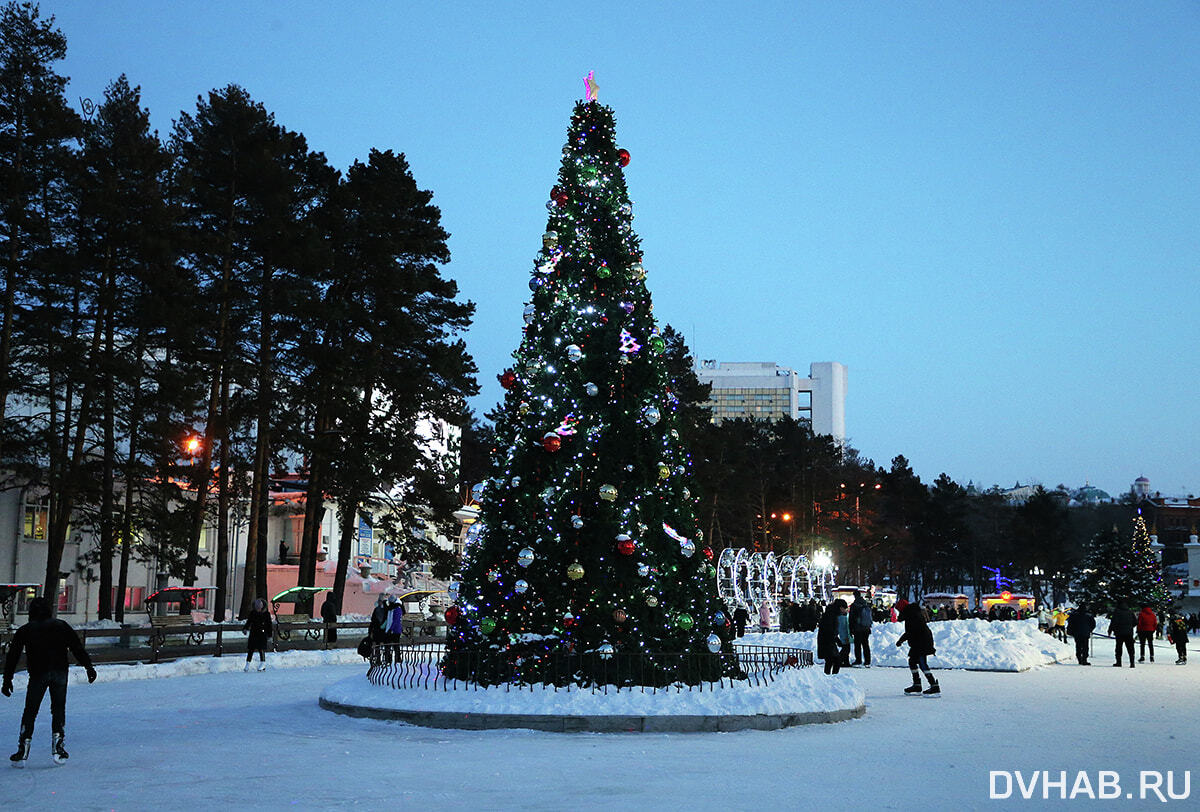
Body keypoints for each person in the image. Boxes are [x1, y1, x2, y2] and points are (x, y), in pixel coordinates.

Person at [3, 596, 97, 766]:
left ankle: (23, 748)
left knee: (30, 710)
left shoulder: (26, 630)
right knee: (58, 708)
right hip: (59, 671)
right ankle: (58, 747)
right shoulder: (60, 626)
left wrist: (7, 679)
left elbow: (13, 655)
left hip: (39, 673)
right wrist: (88, 666)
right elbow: (77, 647)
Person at [896, 602, 940, 696]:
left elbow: (911, 631)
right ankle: (917, 685)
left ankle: (934, 685)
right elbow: (911, 631)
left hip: (922, 642)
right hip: (919, 641)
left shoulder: (912, 615)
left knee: (922, 663)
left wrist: (901, 640)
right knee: (912, 661)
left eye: (899, 610)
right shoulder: (912, 613)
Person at [817, 599, 848, 675]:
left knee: (831, 660)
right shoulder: (831, 614)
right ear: (840, 607)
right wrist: (836, 640)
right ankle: (832, 679)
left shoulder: (831, 613)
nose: (845, 611)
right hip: (827, 640)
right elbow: (829, 629)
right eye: (844, 608)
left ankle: (829, 678)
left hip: (828, 640)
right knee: (835, 660)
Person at [243, 598, 273, 671]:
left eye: (259, 608)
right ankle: (247, 664)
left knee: (261, 649)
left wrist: (269, 635)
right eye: (257, 608)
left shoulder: (266, 614)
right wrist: (245, 628)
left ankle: (262, 663)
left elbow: (269, 625)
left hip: (262, 634)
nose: (258, 609)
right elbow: (249, 622)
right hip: (254, 633)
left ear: (262, 607)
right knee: (251, 649)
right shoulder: (253, 613)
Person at [849, 590, 873, 667]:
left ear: (854, 596)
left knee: (858, 645)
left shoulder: (854, 605)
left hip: (857, 629)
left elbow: (851, 618)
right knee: (865, 644)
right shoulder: (866, 604)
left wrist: (851, 629)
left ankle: (858, 660)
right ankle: (867, 661)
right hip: (866, 628)